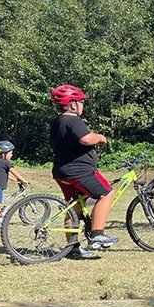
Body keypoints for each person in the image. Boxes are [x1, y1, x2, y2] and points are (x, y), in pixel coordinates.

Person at [49, 84, 119, 251]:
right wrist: (101, 137)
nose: (82, 105)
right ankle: (97, 235)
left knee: (74, 206)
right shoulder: (73, 120)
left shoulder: (57, 122)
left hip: (62, 171)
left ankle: (72, 246)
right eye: (81, 102)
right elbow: (86, 139)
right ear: (73, 104)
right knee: (106, 194)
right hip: (80, 171)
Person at [0, 140, 29, 230]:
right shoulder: (5, 162)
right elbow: (13, 171)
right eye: (10, 153)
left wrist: (16, 180)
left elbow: (5, 175)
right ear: (3, 154)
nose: (11, 155)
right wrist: (23, 180)